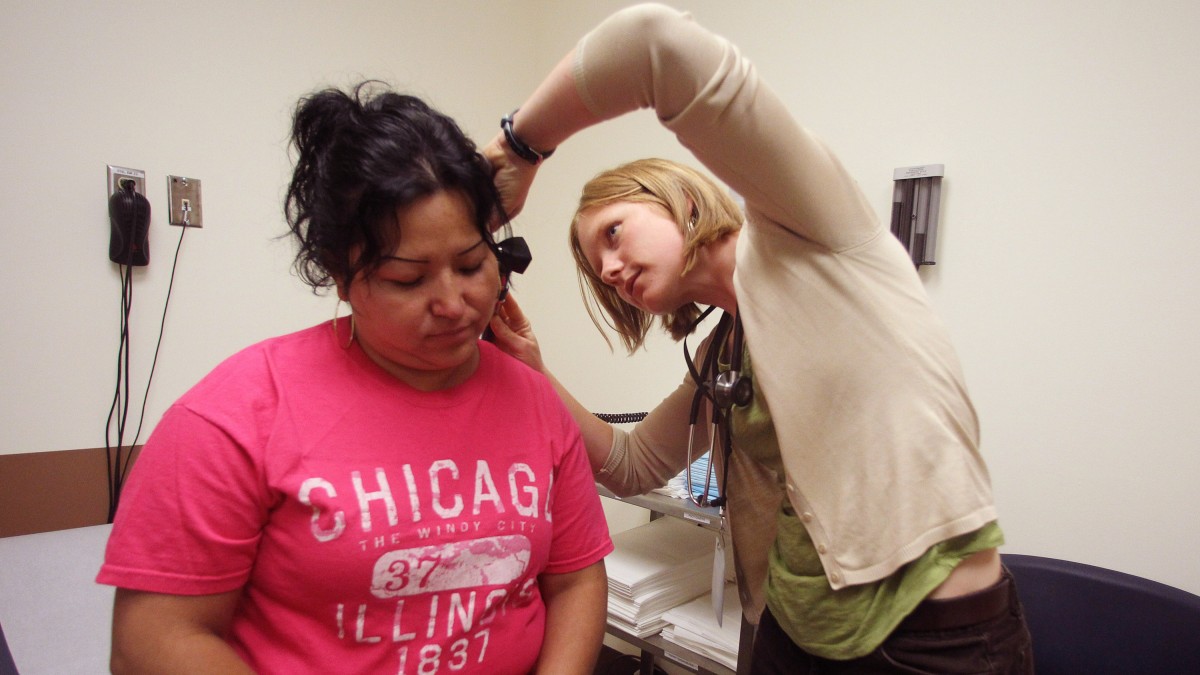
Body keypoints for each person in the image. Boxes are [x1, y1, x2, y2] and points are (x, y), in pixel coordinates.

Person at [482, 4, 1034, 673]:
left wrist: (521, 145)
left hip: (927, 640)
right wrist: (533, 369)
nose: (607, 267)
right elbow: (630, 466)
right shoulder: (725, 352)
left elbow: (652, 44)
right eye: (595, 264)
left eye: (614, 232)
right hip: (791, 633)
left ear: (679, 197)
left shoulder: (812, 237)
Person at [96, 82, 612, 675]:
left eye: (472, 264)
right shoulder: (232, 416)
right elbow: (152, 642)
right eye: (406, 280)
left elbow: (575, 584)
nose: (454, 302)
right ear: (341, 277)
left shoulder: (534, 400)